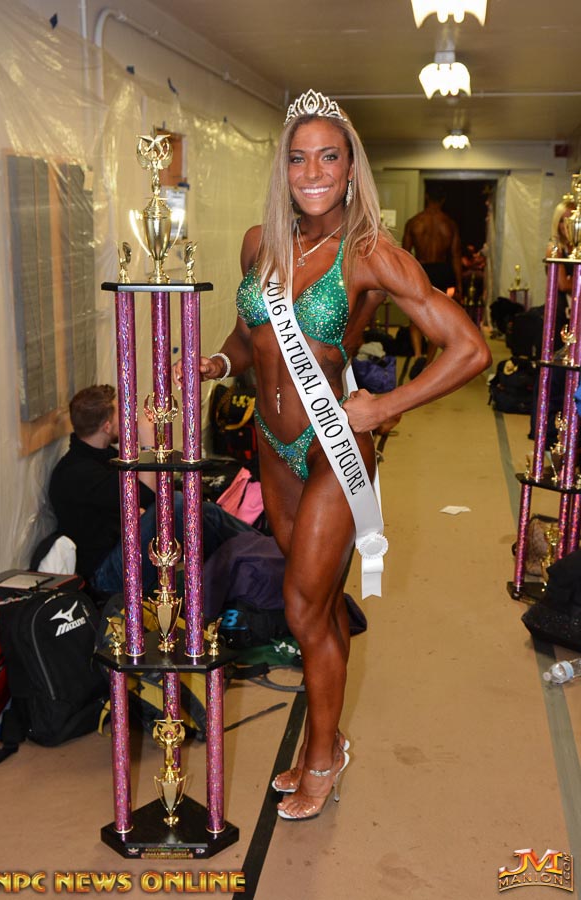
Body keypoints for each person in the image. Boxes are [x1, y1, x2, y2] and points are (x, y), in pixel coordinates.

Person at [173, 89, 491, 821]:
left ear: (351, 169)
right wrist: (217, 366)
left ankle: (321, 753)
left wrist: (384, 404)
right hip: (272, 446)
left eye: (328, 157)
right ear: (283, 169)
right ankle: (330, 734)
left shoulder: (372, 251)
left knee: (301, 605)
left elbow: (470, 348)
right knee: (316, 605)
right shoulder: (260, 243)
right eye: (299, 159)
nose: (312, 172)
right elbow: (250, 337)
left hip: (331, 447)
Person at [48, 384, 253, 595]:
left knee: (202, 510)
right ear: (107, 427)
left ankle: (258, 549)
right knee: (176, 504)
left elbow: (140, 501)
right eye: (121, 415)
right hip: (105, 576)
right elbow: (148, 496)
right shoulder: (77, 473)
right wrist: (147, 441)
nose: (127, 421)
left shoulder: (99, 456)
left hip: (120, 551)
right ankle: (253, 555)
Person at [402, 185, 463, 377]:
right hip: (443, 271)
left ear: (427, 197)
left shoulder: (414, 222)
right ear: (443, 200)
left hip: (421, 270)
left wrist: (403, 280)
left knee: (415, 315)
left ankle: (418, 354)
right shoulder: (450, 224)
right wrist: (459, 284)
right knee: (438, 319)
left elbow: (404, 255)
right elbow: (456, 256)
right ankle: (428, 363)